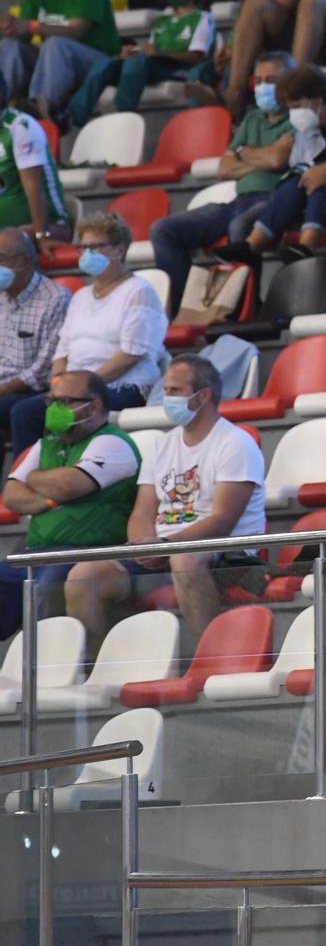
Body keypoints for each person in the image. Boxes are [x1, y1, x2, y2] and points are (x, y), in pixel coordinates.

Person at [64, 357, 262, 649]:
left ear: (203, 395)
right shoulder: (163, 444)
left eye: (175, 391)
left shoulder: (235, 443)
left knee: (184, 560)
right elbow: (143, 509)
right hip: (164, 548)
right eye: (166, 390)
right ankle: (96, 668)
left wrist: (166, 546)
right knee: (83, 575)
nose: (167, 398)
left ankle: (212, 658)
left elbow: (223, 520)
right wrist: (144, 545)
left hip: (225, 553)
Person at [146, 51, 295, 312]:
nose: (262, 87)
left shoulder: (299, 117)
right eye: (258, 80)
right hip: (237, 200)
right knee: (163, 229)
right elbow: (224, 169)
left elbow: (277, 162)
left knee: (241, 227)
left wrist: (244, 153)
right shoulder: (252, 119)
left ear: (290, 81)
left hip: (273, 200)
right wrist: (262, 155)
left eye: (271, 79)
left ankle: (244, 311)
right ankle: (181, 310)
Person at [0, 370, 139, 641]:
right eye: (51, 401)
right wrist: (49, 498)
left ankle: (53, 672)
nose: (54, 409)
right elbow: (12, 495)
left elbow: (70, 484)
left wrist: (34, 477)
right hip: (37, 551)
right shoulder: (46, 443)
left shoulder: (112, 442)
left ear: (95, 405)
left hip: (89, 552)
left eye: (64, 402)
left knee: (47, 584)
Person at [16, 211, 164, 454]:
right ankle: (29, 478)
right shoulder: (82, 296)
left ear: (119, 249)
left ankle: (69, 472)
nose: (87, 255)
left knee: (51, 411)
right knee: (25, 411)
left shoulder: (138, 291)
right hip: (75, 387)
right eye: (83, 248)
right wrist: (58, 383)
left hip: (122, 384)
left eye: (96, 247)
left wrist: (84, 387)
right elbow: (62, 351)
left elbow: (130, 354)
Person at [218, 64, 326, 265]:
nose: (294, 114)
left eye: (296, 106)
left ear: (317, 99)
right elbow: (298, 162)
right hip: (325, 189)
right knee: (299, 180)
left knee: (317, 182)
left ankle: (306, 244)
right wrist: (315, 172)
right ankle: (252, 244)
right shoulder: (309, 124)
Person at [70, 0, 214, 126]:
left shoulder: (202, 18)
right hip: (152, 66)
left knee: (137, 63)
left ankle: (122, 112)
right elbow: (150, 52)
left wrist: (157, 53)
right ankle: (73, 116)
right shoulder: (163, 20)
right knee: (103, 65)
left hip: (178, 69)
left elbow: (196, 56)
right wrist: (133, 52)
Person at [0, 0, 117, 125]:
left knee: (56, 44)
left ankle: (40, 109)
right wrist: (11, 27)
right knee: (10, 47)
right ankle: (3, 107)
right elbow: (24, 36)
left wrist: (30, 26)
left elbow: (76, 31)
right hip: (54, 61)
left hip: (95, 59)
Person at [0, 229, 66, 451]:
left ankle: (20, 481)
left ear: (25, 260)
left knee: (22, 411)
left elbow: (41, 370)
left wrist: (2, 389)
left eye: (0, 258)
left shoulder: (55, 299)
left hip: (30, 388)